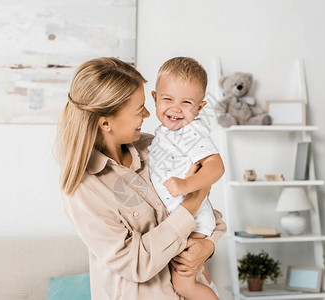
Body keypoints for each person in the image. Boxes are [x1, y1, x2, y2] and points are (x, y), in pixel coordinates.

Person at [56, 57, 226, 300]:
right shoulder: (83, 188)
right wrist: (193, 200)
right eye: (139, 109)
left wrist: (207, 247)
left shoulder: (158, 147)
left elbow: (210, 215)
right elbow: (135, 263)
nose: (148, 113)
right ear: (106, 122)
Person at [149, 57, 225, 300]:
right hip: (180, 218)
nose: (175, 108)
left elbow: (216, 166)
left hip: (193, 220)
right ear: (154, 98)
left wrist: (186, 185)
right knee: (193, 275)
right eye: (167, 99)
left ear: (200, 108)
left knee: (184, 285)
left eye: (186, 102)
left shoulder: (192, 132)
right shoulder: (165, 133)